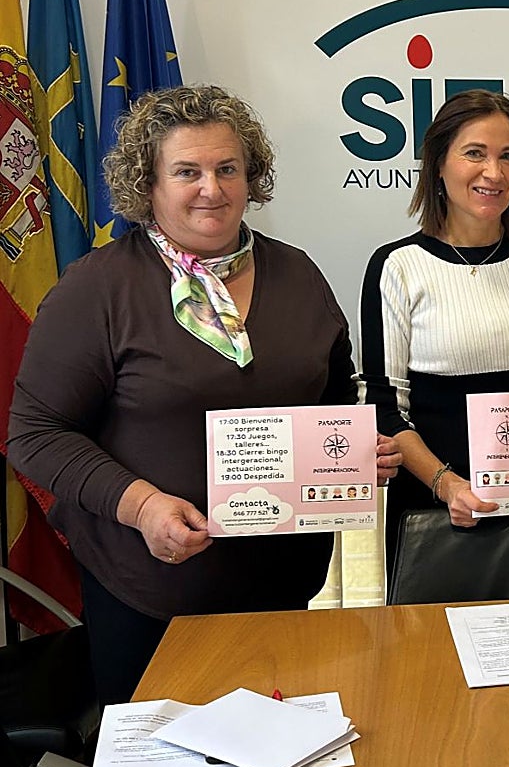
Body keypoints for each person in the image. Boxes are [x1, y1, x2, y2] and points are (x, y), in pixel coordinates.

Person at [5, 85, 402, 706]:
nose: (211, 189)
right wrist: (140, 506)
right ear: (149, 184)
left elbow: (332, 397)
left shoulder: (297, 273)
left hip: (284, 586)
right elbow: (33, 433)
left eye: (227, 169)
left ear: (252, 176)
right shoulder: (99, 290)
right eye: (186, 171)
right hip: (151, 596)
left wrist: (353, 454)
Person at [358, 89, 509, 569]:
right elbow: (385, 404)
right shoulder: (397, 266)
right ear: (438, 164)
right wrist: (448, 486)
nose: (495, 173)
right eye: (475, 154)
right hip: (432, 514)